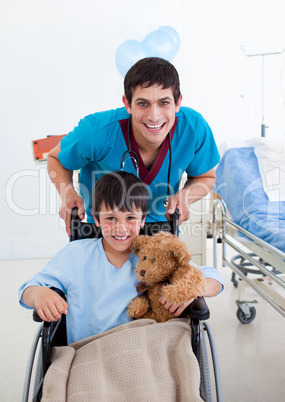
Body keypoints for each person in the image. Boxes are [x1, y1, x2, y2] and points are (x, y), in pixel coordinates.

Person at [19, 171, 223, 344]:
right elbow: (27, 290)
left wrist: (192, 289)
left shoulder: (155, 254)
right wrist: (39, 294)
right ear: (96, 217)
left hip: (145, 347)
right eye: (110, 218)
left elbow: (214, 278)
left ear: (143, 219)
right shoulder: (76, 254)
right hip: (90, 349)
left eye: (131, 218)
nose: (121, 227)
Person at [48, 57, 220, 237]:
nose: (154, 116)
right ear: (127, 104)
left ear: (178, 103)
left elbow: (205, 177)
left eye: (164, 103)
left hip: (160, 227)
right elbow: (55, 159)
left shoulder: (194, 128)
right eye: (143, 103)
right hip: (104, 229)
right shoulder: (95, 132)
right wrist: (67, 194)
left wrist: (185, 196)